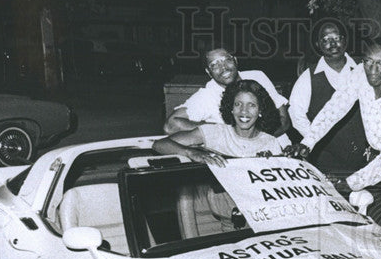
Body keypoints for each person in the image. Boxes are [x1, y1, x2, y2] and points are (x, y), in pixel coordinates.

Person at [287, 38, 381, 235]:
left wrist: (349, 183)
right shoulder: (359, 73)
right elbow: (335, 107)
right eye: (368, 61)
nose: (372, 69)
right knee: (374, 231)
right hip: (373, 160)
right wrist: (308, 142)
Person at [288, 21, 369, 177]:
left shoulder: (363, 69)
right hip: (326, 160)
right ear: (318, 44)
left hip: (364, 156)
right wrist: (315, 140)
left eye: (337, 38)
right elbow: (296, 114)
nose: (332, 43)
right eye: (326, 39)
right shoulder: (308, 77)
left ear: (345, 40)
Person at [165, 47, 290, 144]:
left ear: (235, 60)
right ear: (208, 72)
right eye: (215, 65)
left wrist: (257, 141)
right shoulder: (207, 95)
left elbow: (284, 121)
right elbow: (171, 125)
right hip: (242, 155)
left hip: (280, 147)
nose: (223, 68)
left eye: (227, 60)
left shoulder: (257, 76)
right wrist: (220, 131)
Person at [152, 78, 283, 165]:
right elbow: (159, 144)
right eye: (238, 104)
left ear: (261, 111)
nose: (244, 111)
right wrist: (191, 153)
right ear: (231, 108)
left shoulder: (271, 143)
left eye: (252, 105)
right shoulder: (216, 132)